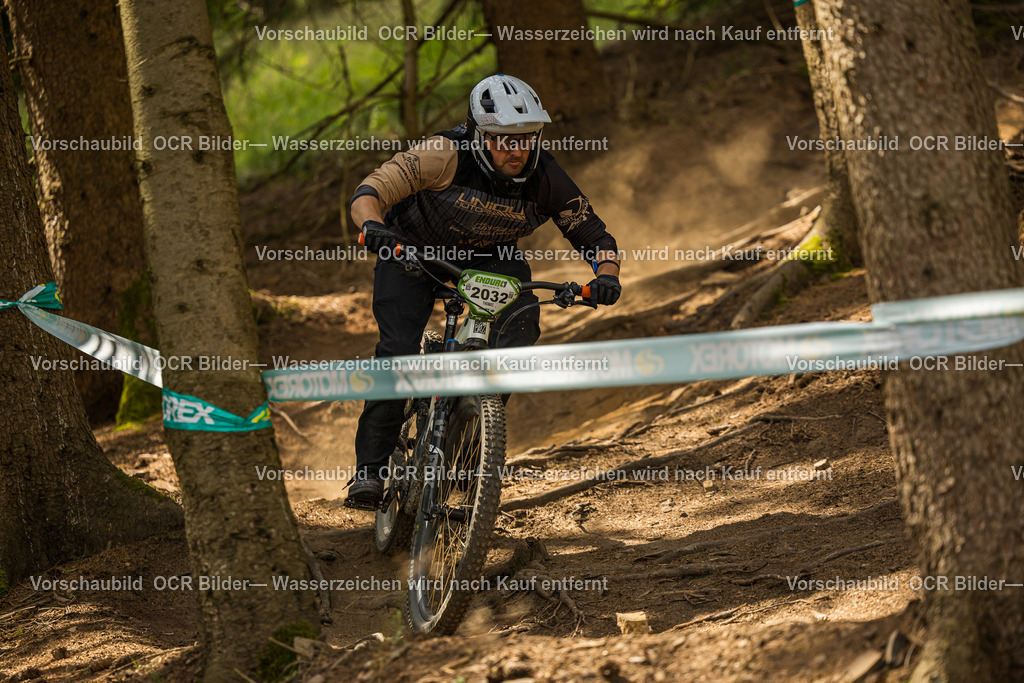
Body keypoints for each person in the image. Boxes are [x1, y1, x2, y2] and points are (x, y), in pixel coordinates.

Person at [345, 74, 621, 509]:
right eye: (503, 140)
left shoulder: (545, 175)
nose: (517, 151)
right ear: (478, 135)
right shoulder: (442, 155)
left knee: (521, 325)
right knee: (397, 349)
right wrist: (374, 228)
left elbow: (593, 234)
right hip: (413, 249)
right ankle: (370, 472)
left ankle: (471, 435)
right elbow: (369, 192)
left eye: (527, 138)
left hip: (489, 258)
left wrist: (606, 275)